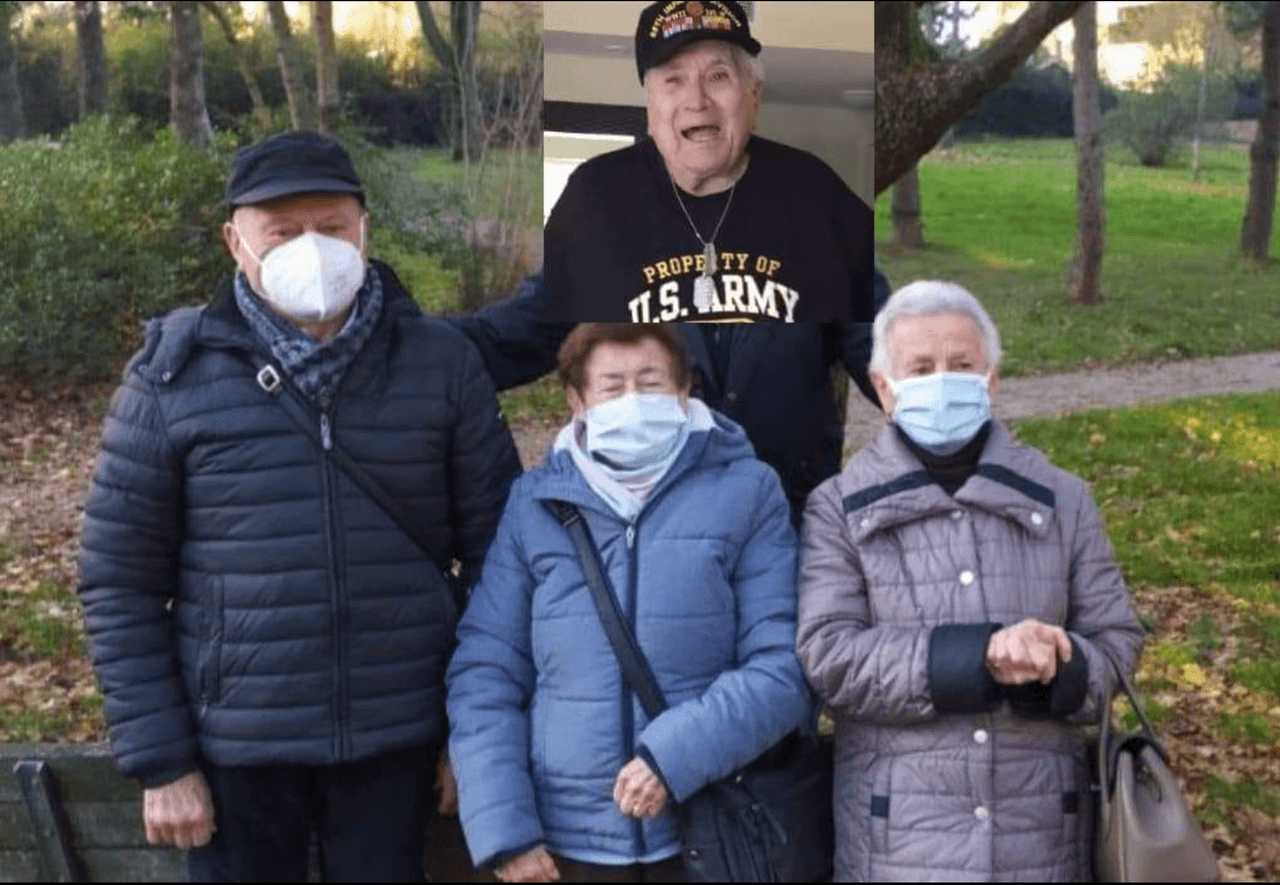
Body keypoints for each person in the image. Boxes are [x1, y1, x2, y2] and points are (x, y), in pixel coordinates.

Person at [76, 131, 522, 882]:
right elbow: (117, 577)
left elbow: (503, 562)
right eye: (282, 232)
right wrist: (162, 758)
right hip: (235, 754)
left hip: (399, 737)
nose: (311, 250)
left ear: (364, 229)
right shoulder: (171, 375)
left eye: (332, 228)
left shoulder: (442, 363)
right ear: (235, 241)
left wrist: (475, 734)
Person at [795, 281, 1145, 881]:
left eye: (961, 365)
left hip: (1043, 840)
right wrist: (977, 656)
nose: (942, 381)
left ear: (992, 379)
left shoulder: (1064, 498)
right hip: (896, 843)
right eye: (921, 367)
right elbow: (829, 657)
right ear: (883, 388)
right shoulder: (838, 506)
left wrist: (1062, 664)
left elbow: (1117, 644)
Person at [446, 324, 812, 882]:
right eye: (612, 387)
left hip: (707, 829)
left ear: (684, 389)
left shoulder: (748, 491)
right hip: (564, 846)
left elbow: (784, 664)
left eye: (651, 382)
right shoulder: (534, 505)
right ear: (577, 401)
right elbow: (486, 673)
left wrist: (674, 757)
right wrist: (505, 831)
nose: (634, 402)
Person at [455, 267, 891, 527]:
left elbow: (891, 360)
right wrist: (405, 345)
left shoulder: (823, 233)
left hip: (787, 515)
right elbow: (507, 340)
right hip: (647, 521)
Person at [543, 0, 875, 323]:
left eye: (718, 77)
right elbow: (539, 324)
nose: (697, 101)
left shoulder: (813, 191)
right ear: (650, 107)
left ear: (753, 97)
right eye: (673, 80)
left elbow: (878, 328)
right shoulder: (595, 193)